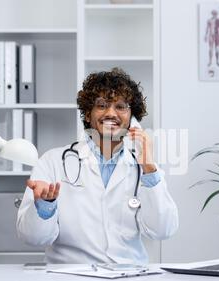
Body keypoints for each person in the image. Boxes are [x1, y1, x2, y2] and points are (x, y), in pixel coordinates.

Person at [17, 68, 179, 264]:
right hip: (72, 280)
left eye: (121, 107)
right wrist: (44, 207)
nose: (111, 113)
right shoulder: (52, 162)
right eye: (102, 105)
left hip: (129, 280)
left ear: (132, 119)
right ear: (87, 115)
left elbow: (163, 230)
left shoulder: (144, 168)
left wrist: (149, 169)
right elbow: (32, 238)